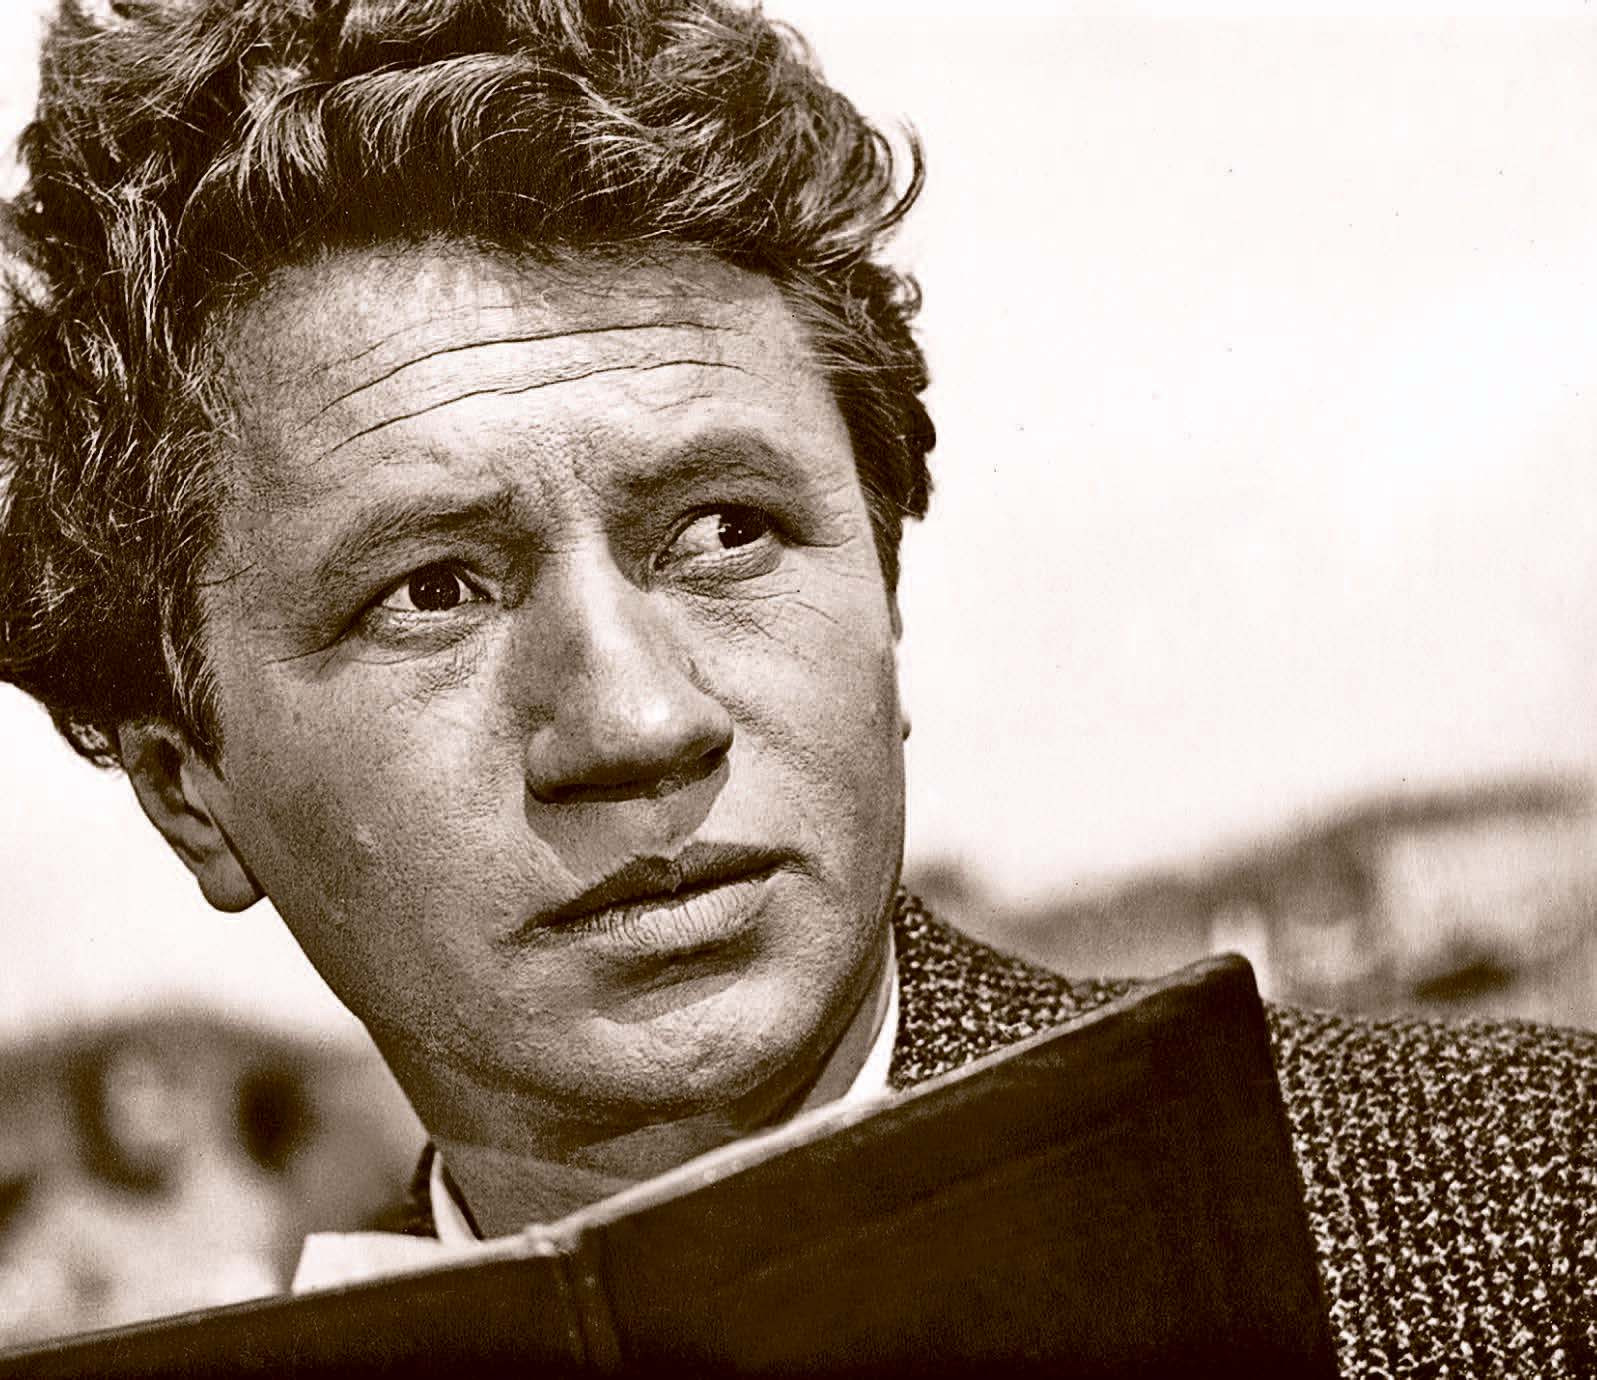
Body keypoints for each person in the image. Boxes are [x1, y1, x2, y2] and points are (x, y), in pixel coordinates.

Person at [0, 1, 1590, 1373]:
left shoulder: (1538, 1215)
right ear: (186, 789)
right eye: (432, 592)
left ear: (883, 591)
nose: (637, 725)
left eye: (724, 530)